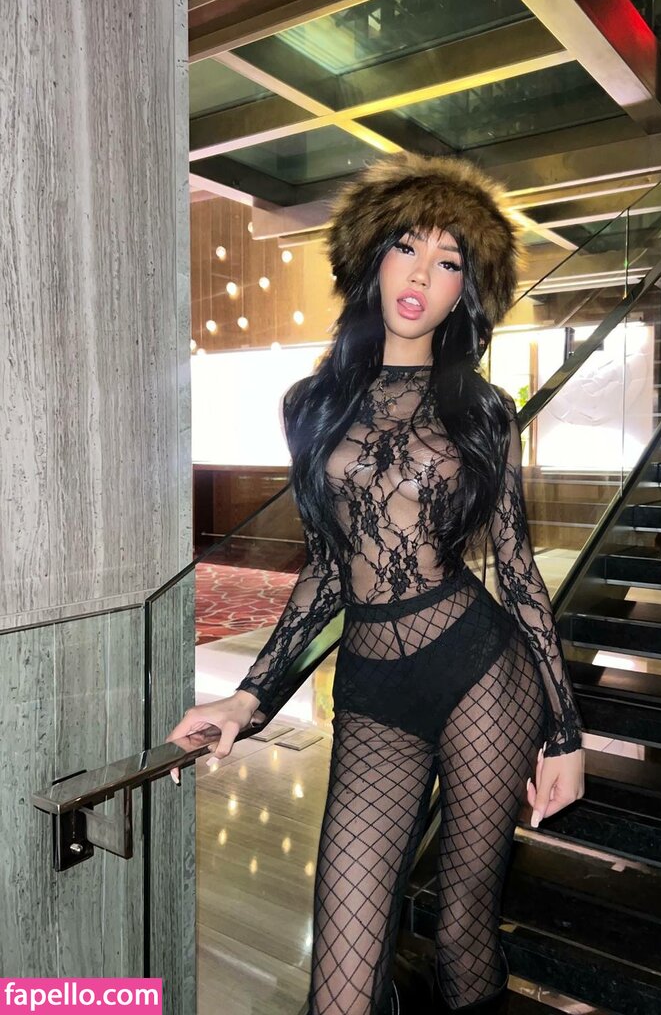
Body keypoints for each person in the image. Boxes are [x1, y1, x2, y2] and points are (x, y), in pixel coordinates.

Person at [167, 152, 585, 1015]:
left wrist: (566, 732)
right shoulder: (310, 404)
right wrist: (247, 699)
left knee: (463, 928)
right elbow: (327, 569)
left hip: (482, 673)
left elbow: (516, 569)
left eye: (448, 261)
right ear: (373, 259)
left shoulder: (483, 408)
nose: (422, 275)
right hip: (371, 687)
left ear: (465, 291)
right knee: (341, 977)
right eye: (407, 246)